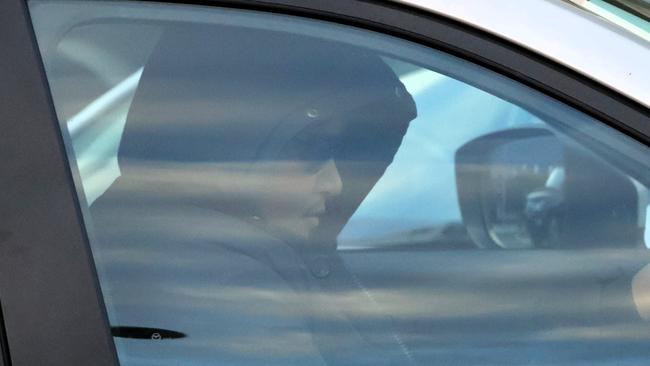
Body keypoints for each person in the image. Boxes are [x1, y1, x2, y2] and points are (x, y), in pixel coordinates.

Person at [89, 24, 417, 365]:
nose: (334, 182)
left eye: (342, 149)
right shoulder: (218, 290)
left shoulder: (207, 253)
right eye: (313, 149)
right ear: (234, 145)